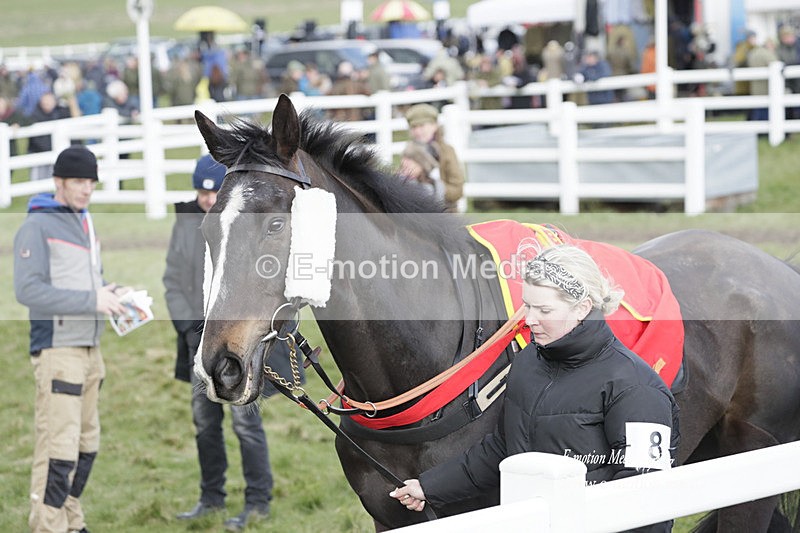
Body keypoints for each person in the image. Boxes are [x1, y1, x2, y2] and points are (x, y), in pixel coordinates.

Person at [389, 245, 680, 533]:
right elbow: (505, 448)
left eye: (544, 310)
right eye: (527, 305)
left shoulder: (636, 387)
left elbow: (645, 500)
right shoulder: (528, 361)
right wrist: (430, 487)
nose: (529, 319)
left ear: (582, 308)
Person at [164, 154, 302, 532]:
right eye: (202, 193)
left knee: (245, 425)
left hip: (238, 342)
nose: (208, 200)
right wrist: (189, 330)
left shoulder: (239, 222)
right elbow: (173, 280)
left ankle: (257, 501)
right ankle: (211, 497)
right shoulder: (186, 223)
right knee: (204, 424)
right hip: (199, 341)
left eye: (214, 193)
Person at [14, 146, 132, 533]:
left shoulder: (85, 222)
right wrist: (91, 300)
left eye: (91, 182)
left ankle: (71, 521)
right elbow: (28, 290)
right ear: (58, 182)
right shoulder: (37, 226)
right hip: (58, 350)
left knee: (85, 447)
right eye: (79, 182)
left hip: (90, 349)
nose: (86, 189)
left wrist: (111, 292)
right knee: (58, 451)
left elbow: (87, 281)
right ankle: (48, 526)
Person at [404, 103, 464, 212]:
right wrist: (408, 177)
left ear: (434, 125)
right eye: (414, 127)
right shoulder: (409, 152)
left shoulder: (446, 152)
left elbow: (457, 191)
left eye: (422, 126)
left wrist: (433, 186)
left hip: (445, 212)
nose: (418, 131)